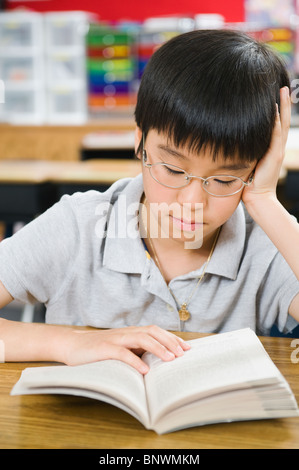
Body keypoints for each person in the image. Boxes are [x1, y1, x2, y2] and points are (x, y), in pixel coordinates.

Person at [0, 29, 298, 375]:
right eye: (172, 169)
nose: (191, 200)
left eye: (223, 180)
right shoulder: (79, 226)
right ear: (140, 141)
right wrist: (69, 342)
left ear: (258, 167)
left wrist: (263, 200)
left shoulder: (267, 244)